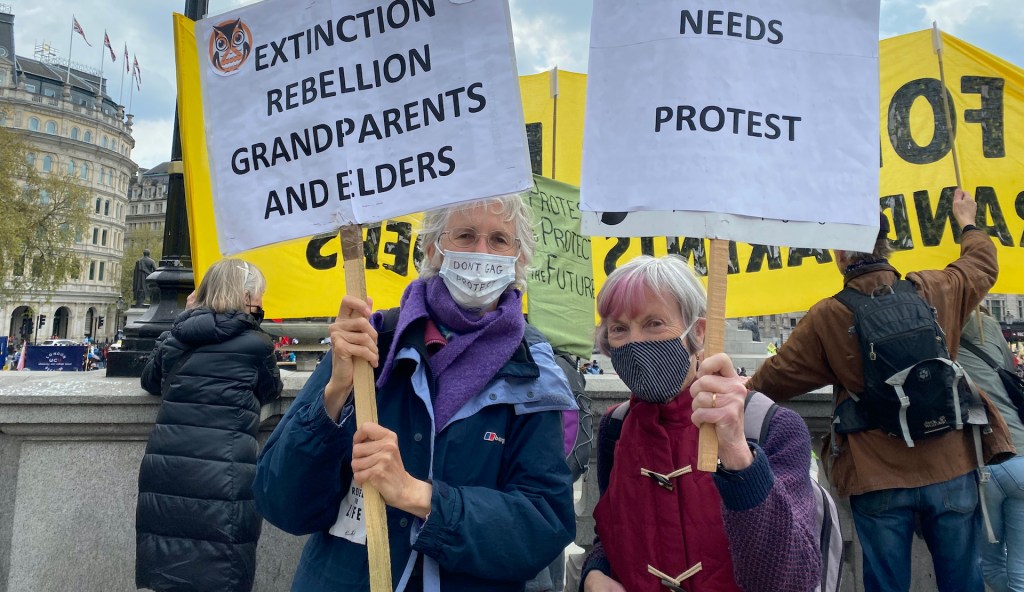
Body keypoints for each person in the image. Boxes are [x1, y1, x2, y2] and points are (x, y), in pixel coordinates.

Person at [254, 194, 577, 591]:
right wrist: (335, 392)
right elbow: (281, 502)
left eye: (498, 240)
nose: (481, 252)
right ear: (432, 249)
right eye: (465, 235)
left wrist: (418, 496)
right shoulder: (371, 341)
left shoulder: (534, 370)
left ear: (519, 259)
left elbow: (543, 524)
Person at [747, 188, 1014, 592]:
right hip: (951, 466)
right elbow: (981, 263)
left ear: (841, 255)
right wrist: (967, 221)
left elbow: (771, 383)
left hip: (877, 475)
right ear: (887, 245)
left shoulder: (828, 316)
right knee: (964, 582)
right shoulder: (936, 287)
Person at [581, 254, 821, 592]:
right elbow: (611, 533)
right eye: (619, 329)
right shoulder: (615, 429)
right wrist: (594, 573)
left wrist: (739, 456)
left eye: (654, 323)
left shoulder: (773, 428)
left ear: (699, 332)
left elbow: (792, 580)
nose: (635, 342)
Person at [136, 259, 283, 592]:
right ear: (244, 296)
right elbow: (270, 391)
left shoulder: (178, 337)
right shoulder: (257, 344)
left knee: (168, 570)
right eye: (257, 296)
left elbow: (150, 380)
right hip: (225, 476)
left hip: (167, 472)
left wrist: (181, 320)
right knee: (222, 572)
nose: (260, 303)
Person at [957, 307, 1024, 591]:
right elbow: (1008, 374)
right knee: (1020, 566)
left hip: (979, 460)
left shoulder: (935, 332)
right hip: (1019, 451)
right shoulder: (988, 324)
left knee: (990, 564)